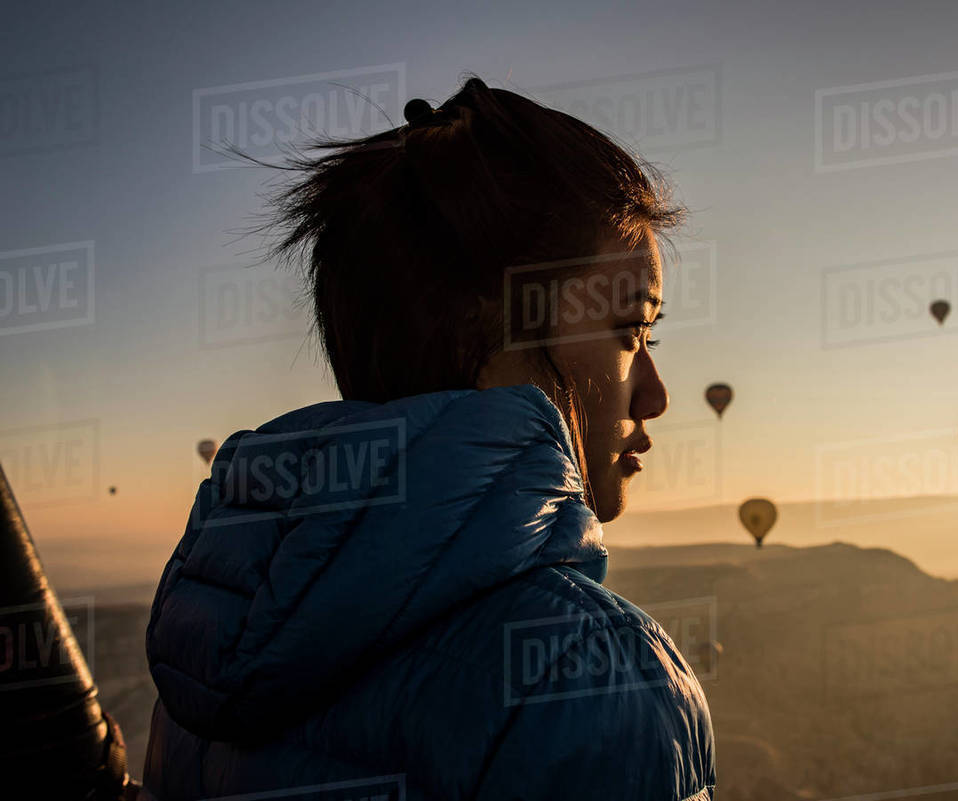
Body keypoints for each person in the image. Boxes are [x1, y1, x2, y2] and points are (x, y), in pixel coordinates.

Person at [141, 76, 716, 801]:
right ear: (489, 331)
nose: (658, 395)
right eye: (632, 329)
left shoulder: (206, 641)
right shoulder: (596, 675)